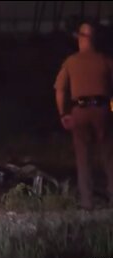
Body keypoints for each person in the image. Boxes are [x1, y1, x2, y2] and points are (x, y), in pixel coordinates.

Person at [54, 22, 113, 210]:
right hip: (103, 110)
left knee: (83, 158)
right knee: (109, 157)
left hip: (79, 111)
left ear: (80, 38)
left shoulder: (71, 62)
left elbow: (60, 90)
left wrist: (63, 113)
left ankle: (87, 202)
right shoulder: (105, 61)